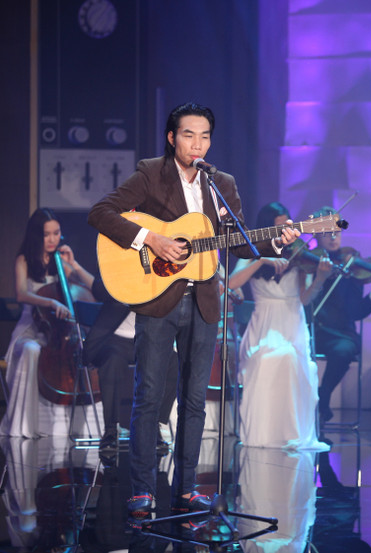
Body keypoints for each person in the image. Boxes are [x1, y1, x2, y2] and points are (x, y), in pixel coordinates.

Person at [87, 102, 299, 517]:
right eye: (188, 135)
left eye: (204, 136)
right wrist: (151, 238)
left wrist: (277, 241)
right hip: (157, 298)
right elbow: (101, 213)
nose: (197, 144)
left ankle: (186, 489)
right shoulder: (151, 172)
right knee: (149, 396)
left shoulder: (221, 183)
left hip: (204, 300)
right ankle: (142, 490)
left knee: (195, 399)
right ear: (172, 138)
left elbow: (240, 241)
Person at [228, 201, 329, 450]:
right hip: (263, 327)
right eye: (278, 227)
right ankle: (262, 435)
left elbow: (304, 298)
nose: (285, 232)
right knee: (267, 360)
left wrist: (320, 277)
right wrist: (261, 260)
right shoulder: (253, 250)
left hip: (293, 324)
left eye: (287, 226)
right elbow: (231, 283)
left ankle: (291, 434)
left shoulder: (299, 251)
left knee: (291, 358)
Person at [1, 207, 98, 438]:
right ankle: (25, 426)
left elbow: (94, 287)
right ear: (37, 235)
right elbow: (21, 294)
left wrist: (74, 265)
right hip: (29, 331)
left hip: (58, 336)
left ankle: (73, 427)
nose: (53, 239)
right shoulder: (24, 260)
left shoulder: (60, 262)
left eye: (56, 233)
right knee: (32, 350)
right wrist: (51, 302)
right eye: (47, 234)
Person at [308, 206, 371, 423]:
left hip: (341, 334)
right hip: (311, 330)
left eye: (337, 231)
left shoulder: (350, 266)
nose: (333, 237)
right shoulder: (307, 263)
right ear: (316, 234)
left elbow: (356, 311)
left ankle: (323, 394)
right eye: (327, 232)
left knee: (344, 351)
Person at [83, 278, 178, 454]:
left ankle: (153, 425)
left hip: (147, 337)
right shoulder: (119, 265)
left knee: (173, 362)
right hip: (115, 338)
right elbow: (98, 289)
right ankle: (110, 431)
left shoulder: (159, 268)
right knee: (111, 361)